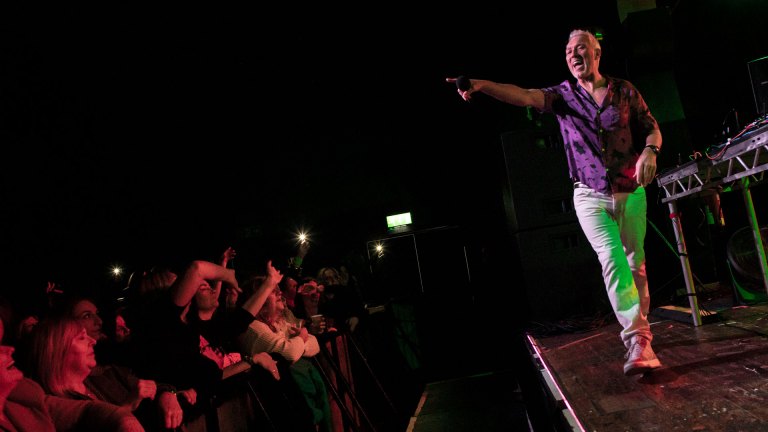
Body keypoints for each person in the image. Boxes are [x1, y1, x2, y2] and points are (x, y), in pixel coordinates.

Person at [447, 29, 663, 376]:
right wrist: (483, 84)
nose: (574, 55)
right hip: (589, 195)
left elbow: (651, 128)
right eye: (568, 52)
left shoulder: (623, 90)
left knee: (635, 263)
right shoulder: (562, 96)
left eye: (580, 49)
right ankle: (637, 339)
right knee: (613, 260)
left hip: (629, 189)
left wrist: (650, 151)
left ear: (597, 53)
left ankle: (642, 330)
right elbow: (524, 96)